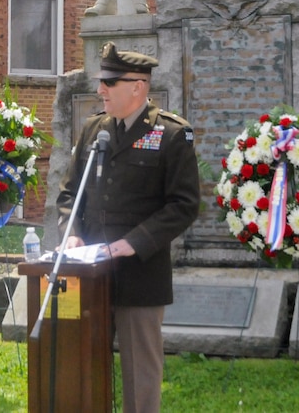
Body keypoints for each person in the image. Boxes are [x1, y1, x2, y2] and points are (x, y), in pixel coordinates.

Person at [57, 42, 200, 413]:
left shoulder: (172, 135)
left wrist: (132, 243)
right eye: (101, 81)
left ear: (137, 86)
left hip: (139, 274)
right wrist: (70, 231)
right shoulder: (93, 131)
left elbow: (183, 205)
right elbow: (69, 193)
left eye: (110, 82)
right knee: (84, 365)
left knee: (140, 374)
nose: (101, 89)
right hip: (90, 274)